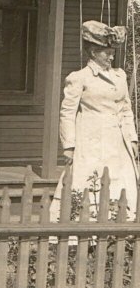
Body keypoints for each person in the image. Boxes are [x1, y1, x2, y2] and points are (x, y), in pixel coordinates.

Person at [56, 20, 139, 220]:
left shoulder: (119, 76)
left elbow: (126, 110)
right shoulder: (80, 78)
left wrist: (133, 139)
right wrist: (69, 145)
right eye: (106, 52)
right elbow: (67, 112)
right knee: (88, 181)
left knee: (121, 182)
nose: (111, 56)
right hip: (91, 140)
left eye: (112, 52)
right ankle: (82, 232)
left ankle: (120, 231)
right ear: (93, 52)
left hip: (118, 142)